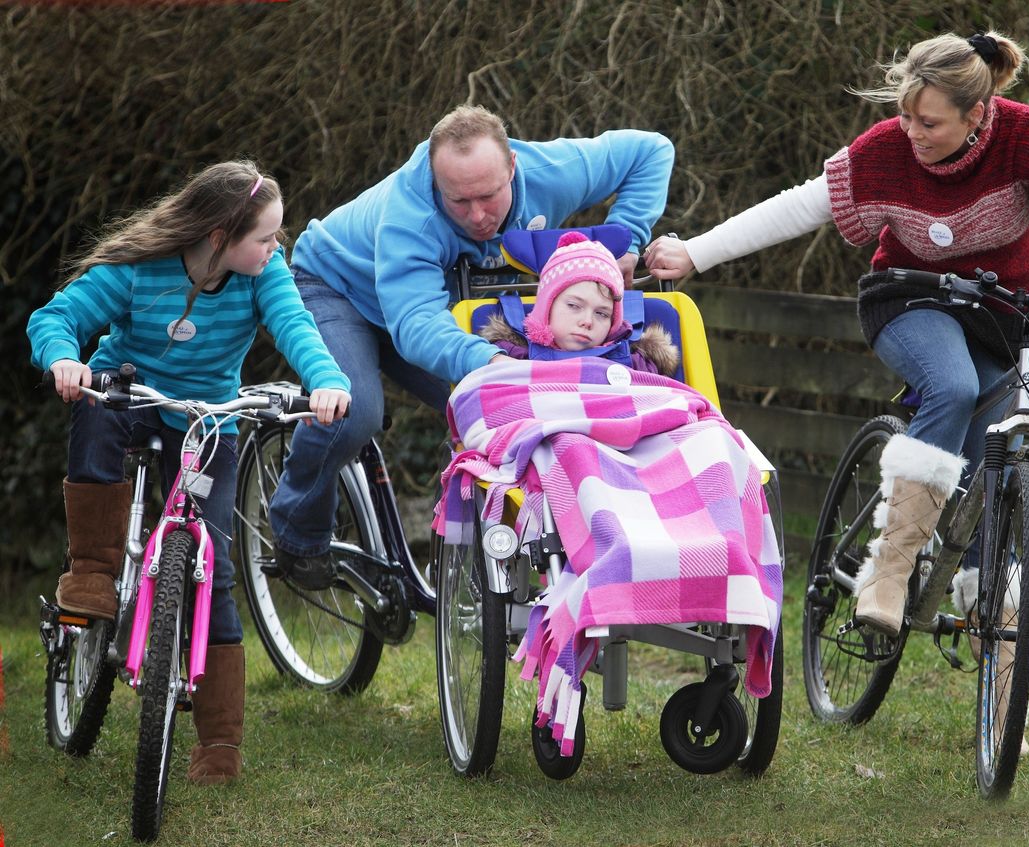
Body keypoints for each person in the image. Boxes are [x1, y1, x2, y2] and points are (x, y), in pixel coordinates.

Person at [645, 32, 1029, 641]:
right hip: (909, 301)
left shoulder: (1026, 138)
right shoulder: (885, 151)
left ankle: (1004, 692)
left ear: (977, 115)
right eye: (905, 115)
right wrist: (696, 252)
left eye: (928, 122)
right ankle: (890, 568)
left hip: (1004, 317)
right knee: (952, 387)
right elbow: (799, 206)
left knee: (1004, 452)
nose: (912, 131)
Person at [26, 161, 352, 785]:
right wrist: (66, 360)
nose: (274, 247)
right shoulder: (138, 268)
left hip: (206, 424)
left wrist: (328, 381)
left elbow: (298, 330)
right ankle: (93, 571)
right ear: (219, 235)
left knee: (217, 570)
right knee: (96, 418)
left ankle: (219, 742)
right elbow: (54, 317)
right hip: (130, 401)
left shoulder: (264, 275)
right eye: (264, 237)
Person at [268, 104, 675, 588]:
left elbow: (651, 151)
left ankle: (526, 554)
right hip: (337, 290)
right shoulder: (411, 216)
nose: (478, 216)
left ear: (513, 169)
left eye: (488, 196)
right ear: (437, 185)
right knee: (356, 413)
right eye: (459, 202)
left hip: (427, 311)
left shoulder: (551, 171)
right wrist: (493, 361)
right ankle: (298, 531)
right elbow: (416, 326)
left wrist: (625, 244)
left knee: (512, 417)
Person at [479, 231, 679, 375]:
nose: (587, 321)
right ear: (546, 308)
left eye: (602, 313)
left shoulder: (638, 363)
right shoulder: (511, 357)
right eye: (574, 306)